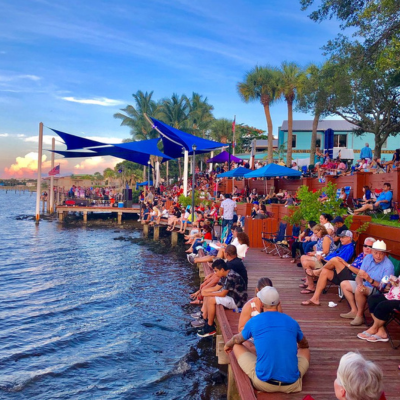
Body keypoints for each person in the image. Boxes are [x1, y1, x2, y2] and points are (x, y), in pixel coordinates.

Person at [224, 286, 310, 393]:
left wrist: (227, 345)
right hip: (292, 384)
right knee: (305, 349)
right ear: (279, 303)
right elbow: (304, 344)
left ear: (260, 303)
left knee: (235, 345)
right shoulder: (292, 322)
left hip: (264, 384)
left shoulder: (254, 321)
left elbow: (237, 339)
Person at [301, 237, 376, 306]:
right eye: (365, 246)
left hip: (354, 277)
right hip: (347, 273)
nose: (367, 248)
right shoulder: (362, 255)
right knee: (325, 271)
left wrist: (346, 265)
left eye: (370, 247)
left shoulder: (372, 259)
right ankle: (315, 299)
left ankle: (317, 272)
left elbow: (361, 274)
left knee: (335, 259)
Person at [340, 240, 394, 326]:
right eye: (376, 253)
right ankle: (354, 310)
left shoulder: (388, 266)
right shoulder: (368, 258)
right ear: (372, 251)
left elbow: (383, 288)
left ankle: (360, 316)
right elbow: (359, 275)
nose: (378, 256)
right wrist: (359, 284)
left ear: (385, 254)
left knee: (360, 290)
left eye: (381, 253)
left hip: (377, 289)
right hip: (365, 284)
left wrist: (369, 279)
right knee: (344, 284)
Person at [195, 259, 248, 337]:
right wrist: (204, 291)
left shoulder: (231, 276)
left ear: (222, 269)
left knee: (211, 300)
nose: (215, 273)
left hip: (237, 301)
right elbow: (216, 288)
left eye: (216, 271)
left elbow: (222, 294)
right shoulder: (225, 274)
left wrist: (207, 293)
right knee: (208, 295)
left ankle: (210, 327)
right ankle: (205, 318)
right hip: (231, 296)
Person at [301, 230, 355, 295]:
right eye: (340, 237)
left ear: (349, 238)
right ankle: (311, 281)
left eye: (342, 237)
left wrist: (326, 260)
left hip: (332, 266)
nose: (340, 239)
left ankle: (312, 284)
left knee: (306, 263)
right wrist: (323, 258)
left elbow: (340, 261)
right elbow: (332, 255)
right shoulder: (343, 246)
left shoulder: (349, 248)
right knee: (303, 257)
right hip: (326, 261)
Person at [357, 273, 400, 343]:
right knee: (372, 299)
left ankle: (374, 328)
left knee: (383, 305)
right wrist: (395, 282)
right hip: (393, 296)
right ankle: (381, 331)